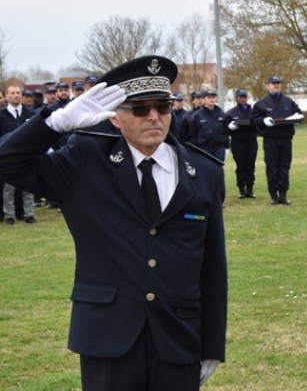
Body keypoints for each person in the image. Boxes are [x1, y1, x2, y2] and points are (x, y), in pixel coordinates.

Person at [0, 56, 227, 390]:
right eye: (139, 108)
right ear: (116, 119)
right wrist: (55, 123)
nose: (153, 116)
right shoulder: (85, 161)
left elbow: (212, 267)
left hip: (178, 337)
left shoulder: (203, 171)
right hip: (108, 338)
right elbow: (7, 162)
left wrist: (211, 345)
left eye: (162, 107)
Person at [251, 75, 303, 205]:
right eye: (274, 83)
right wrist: (263, 121)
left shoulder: (288, 101)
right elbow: (253, 119)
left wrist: (297, 120)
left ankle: (283, 194)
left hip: (286, 139)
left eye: (278, 83)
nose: (276, 85)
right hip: (271, 139)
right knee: (272, 167)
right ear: (268, 86)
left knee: (285, 167)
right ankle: (274, 195)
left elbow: (299, 114)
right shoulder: (261, 103)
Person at [1, 86, 37, 225]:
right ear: (7, 96)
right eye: (12, 93)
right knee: (9, 189)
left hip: (27, 156)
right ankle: (10, 215)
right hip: (9, 157)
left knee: (28, 188)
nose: (16, 95)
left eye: (18, 93)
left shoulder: (30, 114)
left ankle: (29, 214)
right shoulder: (1, 115)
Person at [225, 89, 259, 199]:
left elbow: (259, 125)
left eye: (244, 96)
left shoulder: (254, 112)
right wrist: (230, 127)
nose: (243, 99)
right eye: (240, 97)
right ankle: (241, 190)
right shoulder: (231, 113)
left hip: (251, 141)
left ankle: (250, 189)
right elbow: (224, 128)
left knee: (250, 165)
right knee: (240, 166)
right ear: (236, 98)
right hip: (237, 142)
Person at [189, 90, 228, 162]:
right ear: (203, 100)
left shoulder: (221, 113)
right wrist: (194, 149)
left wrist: (226, 147)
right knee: (206, 170)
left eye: (213, 97)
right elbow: (193, 133)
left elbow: (226, 131)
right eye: (209, 97)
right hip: (204, 148)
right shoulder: (197, 115)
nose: (212, 99)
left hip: (219, 147)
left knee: (218, 170)